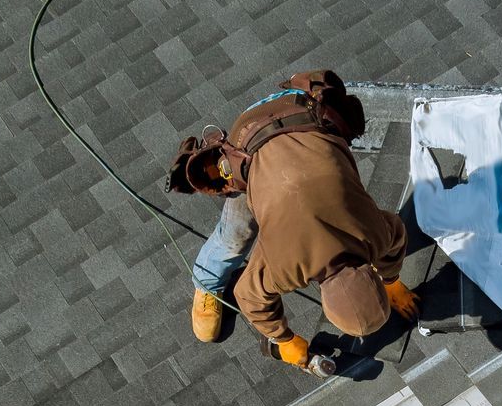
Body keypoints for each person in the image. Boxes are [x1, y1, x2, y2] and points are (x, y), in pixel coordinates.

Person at [168, 70, 420, 373]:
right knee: (236, 233)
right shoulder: (285, 268)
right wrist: (283, 339)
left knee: (269, 214)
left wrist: (391, 282)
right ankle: (207, 283)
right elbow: (248, 296)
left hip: (300, 109)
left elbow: (396, 236)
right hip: (249, 138)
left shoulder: (374, 235)